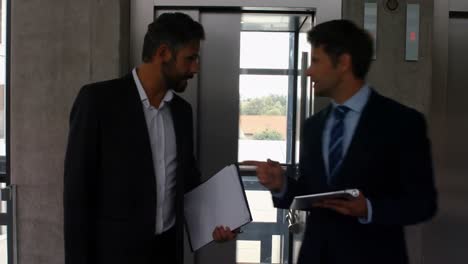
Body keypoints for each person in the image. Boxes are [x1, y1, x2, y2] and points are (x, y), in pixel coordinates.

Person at [245, 19, 437, 264]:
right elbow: (313, 194)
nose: (308, 71)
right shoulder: (313, 127)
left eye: (315, 61)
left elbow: (423, 204)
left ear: (343, 62)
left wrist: (369, 209)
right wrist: (281, 184)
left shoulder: (403, 123)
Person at [64, 12, 235, 264]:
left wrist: (218, 221)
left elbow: (187, 181)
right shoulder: (98, 102)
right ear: (163, 53)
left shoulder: (182, 112)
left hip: (166, 253)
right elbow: (77, 196)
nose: (195, 68)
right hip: (113, 256)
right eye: (190, 58)